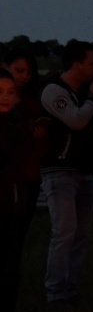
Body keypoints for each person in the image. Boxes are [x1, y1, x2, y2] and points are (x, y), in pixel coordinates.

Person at [40, 40, 93, 305]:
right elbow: (77, 121)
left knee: (81, 235)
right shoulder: (54, 90)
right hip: (60, 172)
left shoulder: (78, 92)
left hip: (84, 172)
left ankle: (71, 290)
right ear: (76, 65)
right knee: (64, 232)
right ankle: (56, 293)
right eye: (92, 63)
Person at [2, 48, 48, 250]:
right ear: (5, 67)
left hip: (27, 177)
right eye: (19, 70)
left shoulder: (32, 104)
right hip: (7, 176)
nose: (24, 76)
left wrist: (37, 135)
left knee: (16, 237)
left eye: (28, 73)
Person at [0, 69, 31, 312]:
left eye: (10, 92)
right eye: (0, 92)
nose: (5, 97)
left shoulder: (18, 125)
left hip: (12, 202)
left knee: (10, 262)